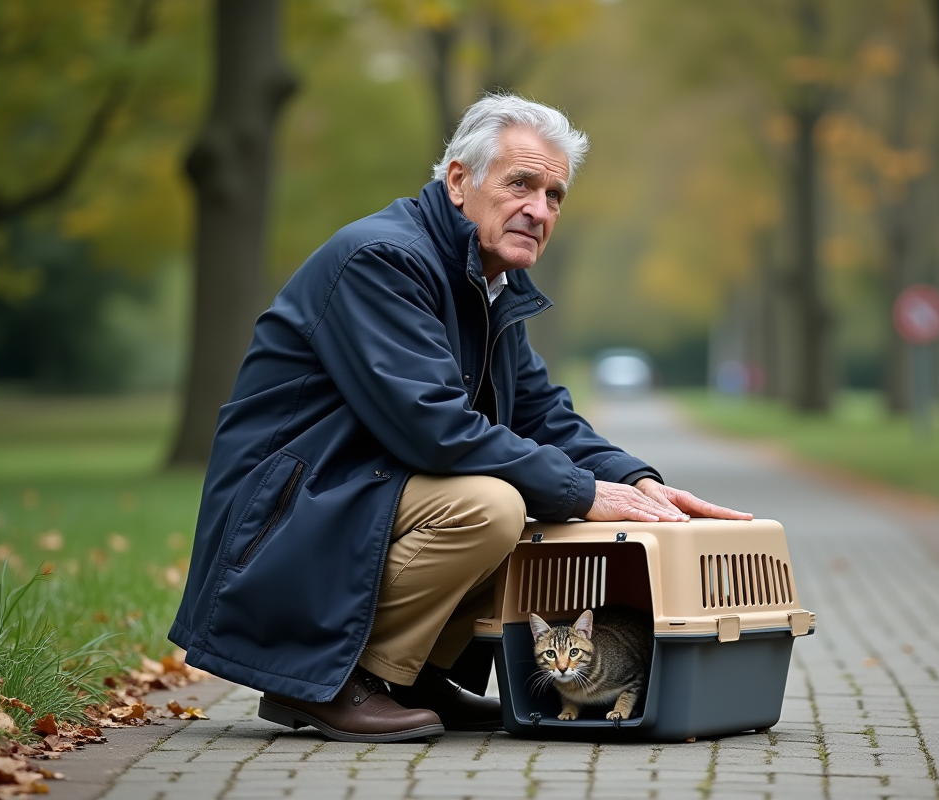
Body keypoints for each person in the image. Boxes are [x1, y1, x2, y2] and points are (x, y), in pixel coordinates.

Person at [169, 93, 751, 743]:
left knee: (538, 506)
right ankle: (328, 682)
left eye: (555, 195)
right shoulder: (382, 260)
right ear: (457, 182)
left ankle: (409, 676)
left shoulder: (486, 284)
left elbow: (540, 412)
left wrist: (638, 484)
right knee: (492, 507)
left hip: (359, 489)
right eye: (521, 184)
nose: (539, 209)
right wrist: (584, 493)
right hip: (291, 510)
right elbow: (432, 427)